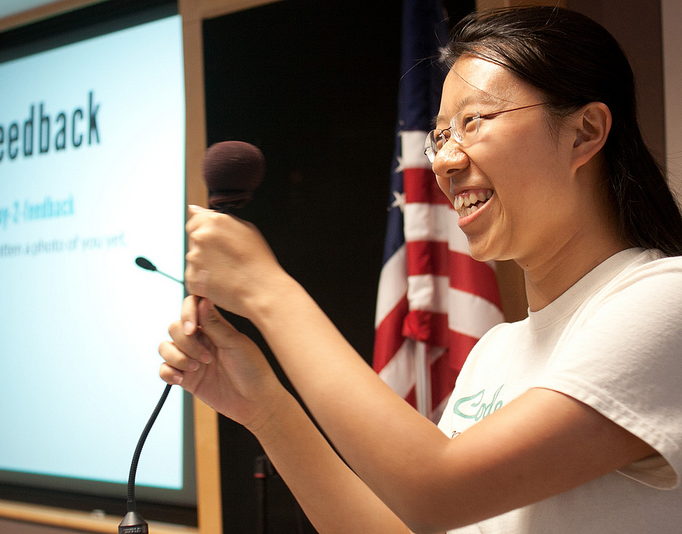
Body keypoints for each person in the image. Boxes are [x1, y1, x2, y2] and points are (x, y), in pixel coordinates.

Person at [158, 6, 682, 533]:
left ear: (584, 132)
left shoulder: (663, 299)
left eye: (472, 123)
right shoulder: (493, 353)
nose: (443, 162)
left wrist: (267, 292)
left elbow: (439, 489)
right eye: (440, 136)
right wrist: (266, 409)